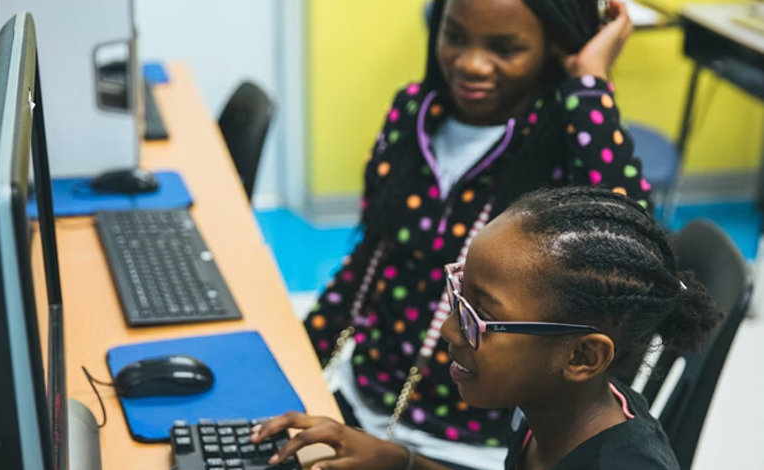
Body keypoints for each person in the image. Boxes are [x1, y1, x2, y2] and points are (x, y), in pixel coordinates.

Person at [305, 0, 652, 467]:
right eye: (455, 37)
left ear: (553, 46)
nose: (471, 64)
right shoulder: (413, 110)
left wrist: (589, 77)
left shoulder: (562, 139)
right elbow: (370, 258)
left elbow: (631, 249)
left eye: (504, 49)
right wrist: (299, 354)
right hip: (364, 399)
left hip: (471, 441)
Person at [256, 186, 722, 470]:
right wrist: (400, 461)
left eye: (479, 318)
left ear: (582, 357)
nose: (449, 332)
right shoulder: (552, 408)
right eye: (459, 299)